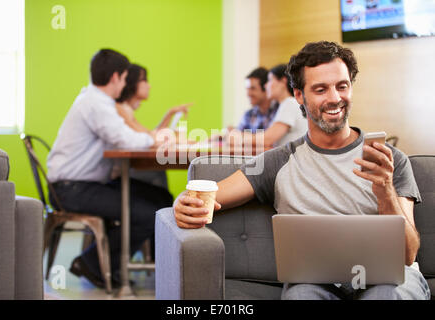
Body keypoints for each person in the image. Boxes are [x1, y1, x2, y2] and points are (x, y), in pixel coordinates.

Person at [173, 41, 431, 300]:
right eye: (320, 89)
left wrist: (385, 190)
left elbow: (408, 254)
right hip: (315, 283)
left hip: (389, 279)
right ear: (299, 95)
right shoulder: (278, 162)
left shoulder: (389, 160)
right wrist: (183, 203)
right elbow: (209, 196)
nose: (334, 98)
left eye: (342, 86)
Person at [47, 49, 173, 289]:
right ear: (116, 77)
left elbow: (123, 136)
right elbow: (123, 139)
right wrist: (154, 140)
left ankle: (161, 263)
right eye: (125, 78)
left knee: (161, 198)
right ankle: (91, 263)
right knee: (148, 214)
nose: (125, 84)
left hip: (81, 184)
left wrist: (151, 138)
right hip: (72, 189)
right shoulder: (96, 104)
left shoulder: (94, 101)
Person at [112, 63, 191, 187]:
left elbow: (150, 134)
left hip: (128, 169)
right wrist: (175, 140)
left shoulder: (126, 110)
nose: (149, 85)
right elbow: (152, 137)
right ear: (132, 82)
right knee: (158, 172)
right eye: (144, 80)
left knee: (159, 172)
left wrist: (170, 114)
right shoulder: (121, 109)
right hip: (124, 172)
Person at [236, 67, 278, 132]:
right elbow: (237, 136)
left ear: (266, 88)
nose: (248, 94)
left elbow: (269, 139)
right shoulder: (249, 114)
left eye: (252, 89)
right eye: (247, 89)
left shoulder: (279, 111)